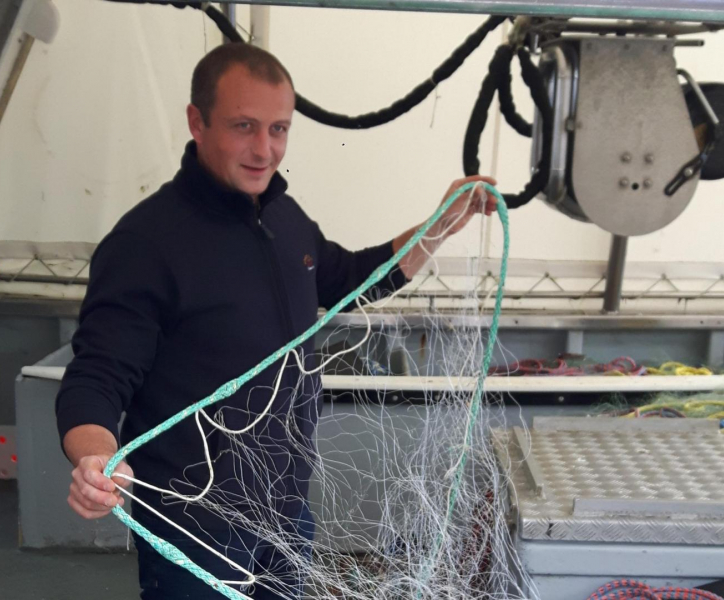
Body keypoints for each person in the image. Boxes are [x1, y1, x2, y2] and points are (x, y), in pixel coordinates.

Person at [56, 42, 497, 599]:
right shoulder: (145, 244)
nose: (265, 149)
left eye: (279, 129)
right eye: (244, 126)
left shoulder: (285, 218)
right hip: (195, 524)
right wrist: (95, 457)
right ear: (197, 121)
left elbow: (351, 279)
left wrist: (442, 223)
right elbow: (97, 376)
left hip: (286, 512)